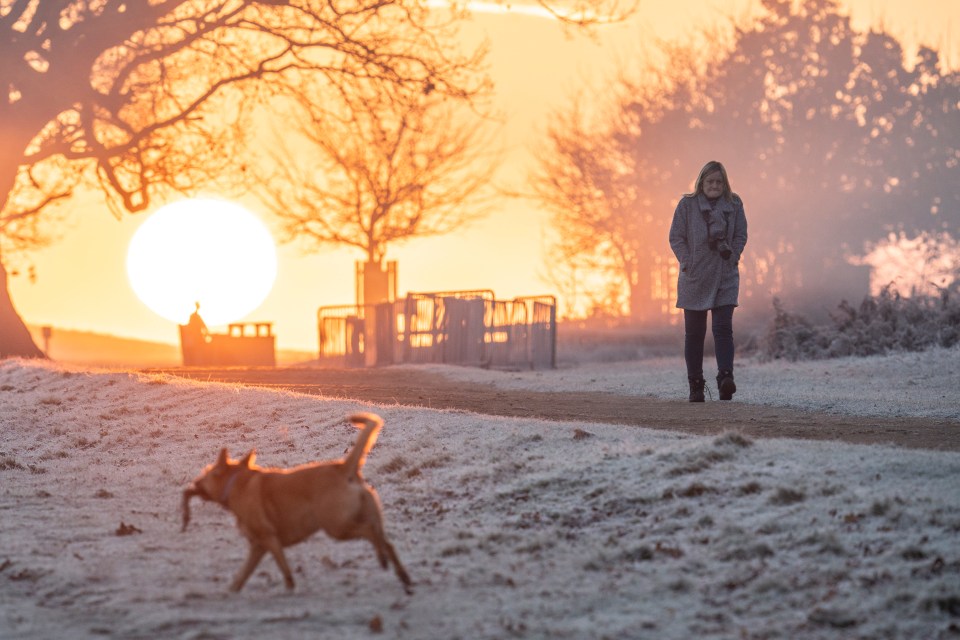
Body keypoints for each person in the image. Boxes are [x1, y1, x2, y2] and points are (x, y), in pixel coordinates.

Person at [668, 160, 748, 402]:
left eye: (719, 182)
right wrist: (686, 260)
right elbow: (676, 237)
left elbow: (741, 234)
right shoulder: (687, 205)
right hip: (694, 276)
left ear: (725, 184)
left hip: (725, 274)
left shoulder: (734, 204)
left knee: (723, 329)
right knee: (694, 333)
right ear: (701, 182)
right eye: (710, 181)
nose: (714, 185)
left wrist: (733, 256)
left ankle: (726, 378)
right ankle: (696, 386)